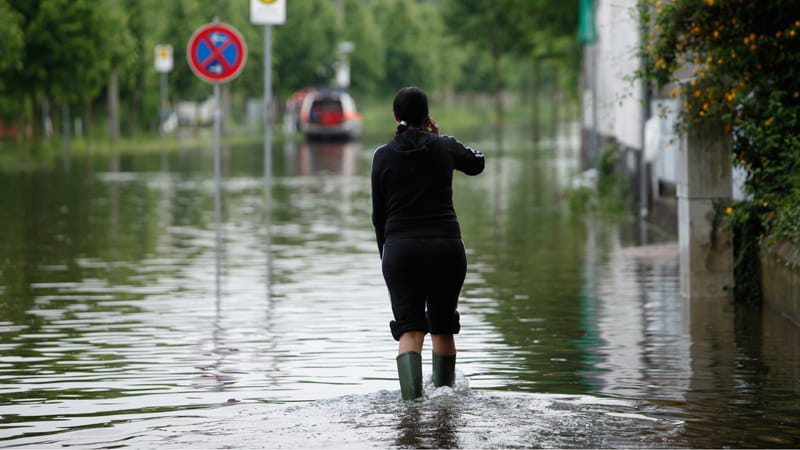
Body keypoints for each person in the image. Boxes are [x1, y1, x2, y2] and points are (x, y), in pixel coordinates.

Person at [371, 87, 485, 400]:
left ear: (396, 117)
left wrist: (387, 254)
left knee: (410, 329)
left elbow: (378, 215)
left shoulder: (382, 156)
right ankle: (445, 402)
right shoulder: (444, 147)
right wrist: (441, 137)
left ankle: (411, 408)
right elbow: (477, 163)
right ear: (427, 115)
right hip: (445, 248)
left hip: (400, 250)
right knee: (443, 326)